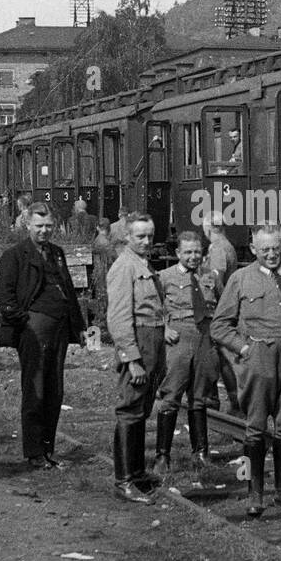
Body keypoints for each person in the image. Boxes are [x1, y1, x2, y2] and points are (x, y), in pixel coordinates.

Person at [211, 225, 281, 518]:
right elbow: (219, 326)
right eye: (264, 249)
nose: (271, 254)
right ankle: (254, 493)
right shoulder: (240, 279)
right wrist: (244, 350)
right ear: (253, 249)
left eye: (276, 249)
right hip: (259, 356)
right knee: (255, 426)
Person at [0, 201, 86, 470]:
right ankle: (34, 452)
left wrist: (78, 327)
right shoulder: (14, 255)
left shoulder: (57, 253)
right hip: (33, 331)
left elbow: (68, 290)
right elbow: (5, 296)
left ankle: (48, 448)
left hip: (58, 330)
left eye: (48, 226)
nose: (44, 231)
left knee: (55, 389)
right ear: (27, 225)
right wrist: (24, 322)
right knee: (35, 389)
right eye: (39, 226)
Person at [105, 212, 166, 503]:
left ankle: (138, 472)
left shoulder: (142, 263)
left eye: (150, 236)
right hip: (138, 345)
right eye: (140, 236)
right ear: (127, 237)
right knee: (129, 411)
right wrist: (132, 358)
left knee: (141, 409)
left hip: (152, 343)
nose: (146, 241)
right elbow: (118, 318)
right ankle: (123, 480)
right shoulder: (123, 267)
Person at [152, 231, 222, 473]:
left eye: (197, 251)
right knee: (171, 395)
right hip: (178, 340)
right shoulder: (164, 277)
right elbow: (151, 307)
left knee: (199, 396)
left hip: (204, 336)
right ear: (178, 253)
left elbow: (222, 307)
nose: (193, 256)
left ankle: (201, 453)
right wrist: (164, 328)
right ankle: (162, 456)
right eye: (188, 252)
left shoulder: (210, 277)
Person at [204, 213, 241, 417]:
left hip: (217, 309)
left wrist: (218, 305)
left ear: (208, 228)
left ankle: (225, 401)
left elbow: (216, 280)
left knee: (218, 356)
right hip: (223, 308)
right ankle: (230, 401)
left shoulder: (218, 248)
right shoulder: (226, 245)